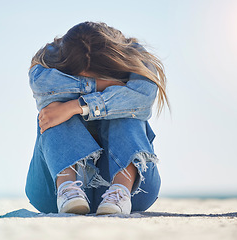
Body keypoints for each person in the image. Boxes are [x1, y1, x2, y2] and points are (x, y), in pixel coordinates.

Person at [25, 21, 169, 215]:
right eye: (80, 78)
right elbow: (42, 85)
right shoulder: (49, 58)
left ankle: (120, 192)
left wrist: (76, 105)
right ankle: (67, 188)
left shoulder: (134, 56)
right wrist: (109, 86)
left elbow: (142, 96)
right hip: (50, 191)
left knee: (128, 110)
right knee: (53, 110)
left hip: (136, 191)